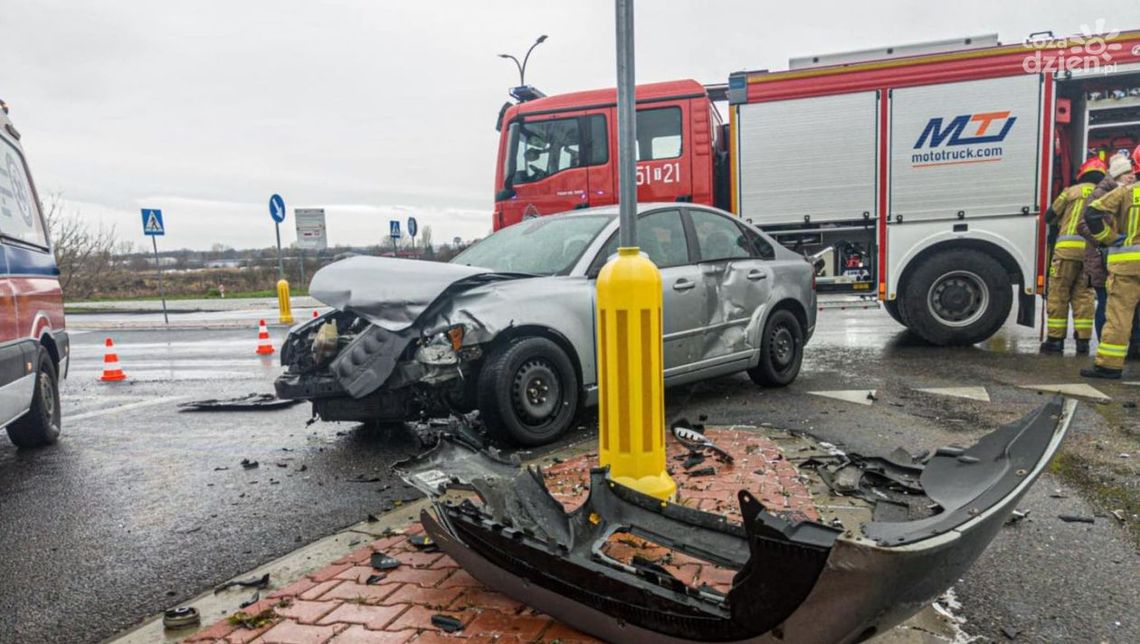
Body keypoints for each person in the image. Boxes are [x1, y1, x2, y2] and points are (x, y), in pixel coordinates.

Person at [1080, 145, 1140, 379]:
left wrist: (1109, 239)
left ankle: (1109, 366)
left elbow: (1092, 213)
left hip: (1126, 266)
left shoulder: (1126, 192)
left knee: (1119, 315)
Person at [1041, 158, 1107, 354]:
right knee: (1084, 297)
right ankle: (1083, 342)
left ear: (1082, 174)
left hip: (1066, 252)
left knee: (1059, 293)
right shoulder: (1104, 195)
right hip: (1089, 254)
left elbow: (1049, 217)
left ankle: (1055, 341)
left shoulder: (1070, 191)